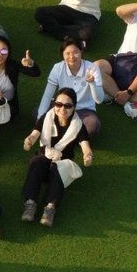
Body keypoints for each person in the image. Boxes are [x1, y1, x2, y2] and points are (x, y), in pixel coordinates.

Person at [21, 88, 93, 227]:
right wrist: (29, 140)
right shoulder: (46, 117)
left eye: (67, 106)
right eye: (58, 104)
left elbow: (85, 146)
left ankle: (50, 207)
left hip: (61, 164)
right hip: (44, 159)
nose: (62, 109)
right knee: (36, 162)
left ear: (74, 107)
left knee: (58, 167)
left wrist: (88, 155)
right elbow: (34, 134)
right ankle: (30, 203)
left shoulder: (78, 125)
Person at [38, 39, 104, 137]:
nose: (72, 57)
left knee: (92, 124)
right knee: (38, 113)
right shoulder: (58, 68)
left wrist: (92, 83)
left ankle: (60, 133)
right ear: (63, 55)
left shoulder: (92, 68)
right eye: (67, 54)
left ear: (81, 52)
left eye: (75, 52)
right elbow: (47, 95)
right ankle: (70, 135)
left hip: (84, 110)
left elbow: (99, 100)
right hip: (62, 107)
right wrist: (39, 120)